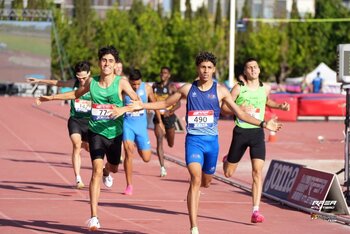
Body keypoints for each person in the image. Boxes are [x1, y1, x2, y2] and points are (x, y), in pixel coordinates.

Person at [131, 52, 281, 234]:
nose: (206, 71)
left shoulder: (220, 91)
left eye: (209, 68)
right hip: (194, 141)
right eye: (203, 67)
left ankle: (205, 181)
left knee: (206, 182)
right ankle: (194, 227)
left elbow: (240, 114)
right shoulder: (188, 89)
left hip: (212, 144)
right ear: (197, 68)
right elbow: (165, 104)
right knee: (195, 178)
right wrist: (142, 105)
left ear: (214, 70)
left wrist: (264, 123)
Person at [36, 46, 139, 231]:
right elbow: (75, 94)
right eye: (104, 60)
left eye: (110, 61)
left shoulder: (121, 83)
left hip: (115, 134)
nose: (106, 64)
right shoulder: (92, 82)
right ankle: (94, 217)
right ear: (100, 62)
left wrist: (123, 109)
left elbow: (138, 104)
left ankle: (109, 170)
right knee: (96, 171)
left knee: (113, 167)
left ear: (115, 64)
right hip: (96, 131)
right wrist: (51, 98)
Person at [221, 57, 289, 224]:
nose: (253, 69)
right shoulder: (238, 88)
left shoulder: (265, 88)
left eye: (255, 67)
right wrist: (238, 110)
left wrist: (280, 106)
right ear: (245, 72)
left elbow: (266, 101)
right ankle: (227, 158)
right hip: (241, 132)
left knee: (257, 172)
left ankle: (255, 211)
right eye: (249, 67)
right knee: (228, 173)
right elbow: (223, 108)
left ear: (259, 70)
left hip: (258, 133)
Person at [27, 61, 92, 189]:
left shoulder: (94, 85)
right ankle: (78, 178)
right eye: (79, 78)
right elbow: (57, 82)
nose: (82, 80)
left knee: (90, 148)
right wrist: (39, 81)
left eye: (84, 78)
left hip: (90, 122)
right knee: (76, 145)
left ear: (89, 74)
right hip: (76, 120)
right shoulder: (74, 83)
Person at [122, 68, 159, 195]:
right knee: (128, 152)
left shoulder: (147, 88)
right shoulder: (123, 89)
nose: (136, 86)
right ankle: (129, 185)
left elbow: (155, 104)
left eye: (138, 84)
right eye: (133, 84)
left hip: (141, 128)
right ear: (129, 82)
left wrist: (159, 122)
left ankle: (138, 145)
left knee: (146, 158)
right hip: (128, 125)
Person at [152, 66, 180, 177]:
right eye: (161, 73)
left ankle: (167, 135)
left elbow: (178, 103)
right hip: (158, 116)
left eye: (165, 73)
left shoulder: (172, 87)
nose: (163, 75)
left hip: (169, 117)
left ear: (169, 75)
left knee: (170, 143)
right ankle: (162, 167)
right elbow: (152, 101)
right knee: (159, 140)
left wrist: (171, 111)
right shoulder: (155, 86)